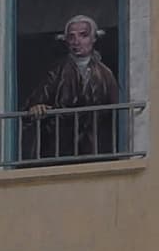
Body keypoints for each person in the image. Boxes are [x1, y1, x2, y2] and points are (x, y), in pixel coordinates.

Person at [27, 12, 122, 157]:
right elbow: (35, 104)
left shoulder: (105, 74)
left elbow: (117, 109)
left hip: (95, 147)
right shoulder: (55, 72)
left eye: (83, 35)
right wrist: (36, 107)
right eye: (71, 37)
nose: (76, 41)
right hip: (60, 147)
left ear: (94, 38)